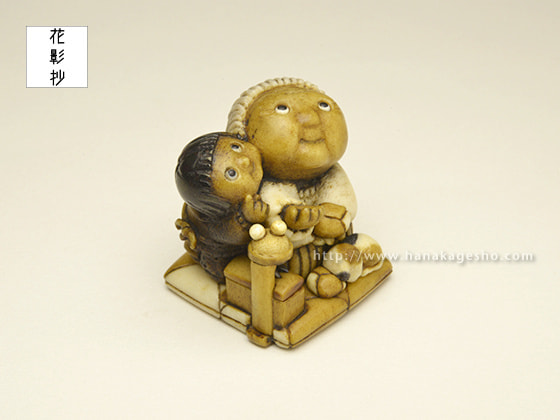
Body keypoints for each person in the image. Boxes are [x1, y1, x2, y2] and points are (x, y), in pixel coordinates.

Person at [175, 132, 269, 282]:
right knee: (225, 270)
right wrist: (248, 218)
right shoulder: (219, 224)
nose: (245, 161)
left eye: (236, 147)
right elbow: (236, 237)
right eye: (232, 173)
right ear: (220, 203)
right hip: (222, 254)